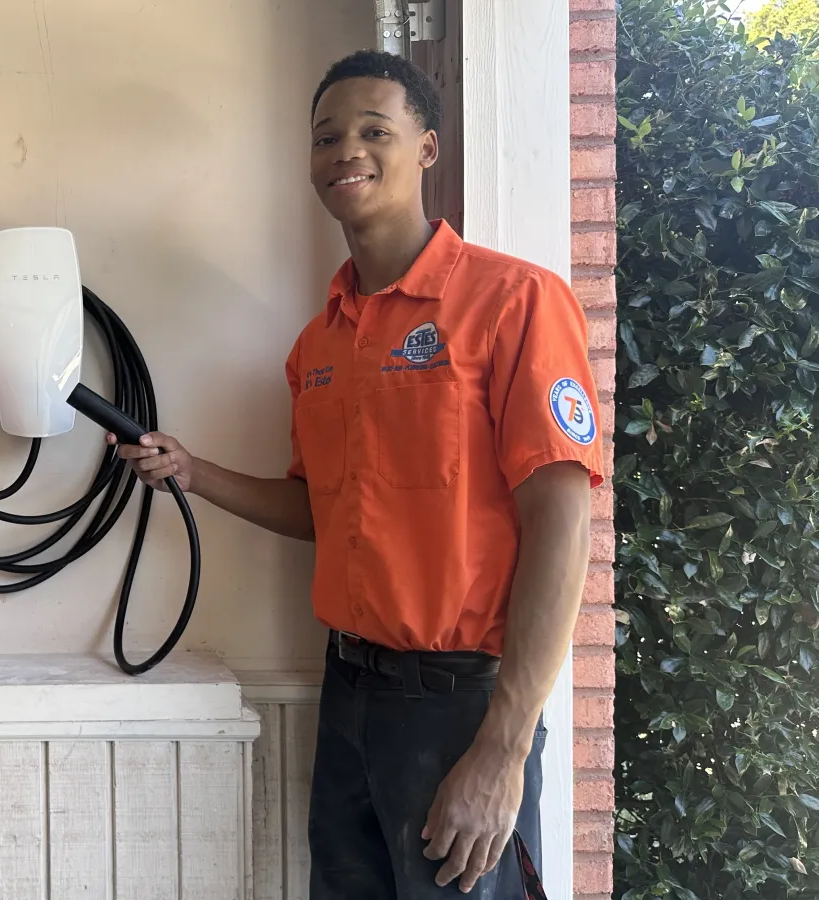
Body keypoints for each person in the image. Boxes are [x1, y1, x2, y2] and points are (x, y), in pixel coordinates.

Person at [113, 50, 602, 898]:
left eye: (376, 130)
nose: (348, 150)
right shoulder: (320, 345)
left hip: (460, 706)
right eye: (327, 135)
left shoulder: (515, 302)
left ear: (428, 149)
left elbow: (564, 523)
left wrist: (503, 746)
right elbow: (321, 510)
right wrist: (193, 473)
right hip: (349, 695)